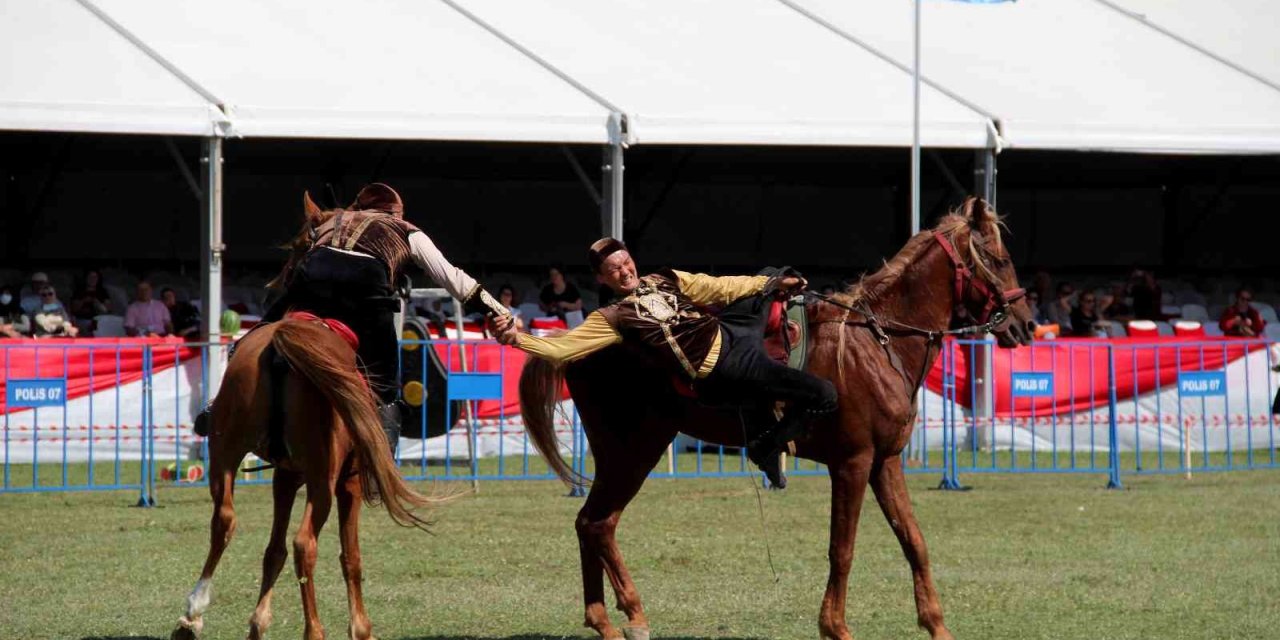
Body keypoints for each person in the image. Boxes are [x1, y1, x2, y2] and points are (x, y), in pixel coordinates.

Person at [493, 237, 836, 488]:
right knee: (825, 394)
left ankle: (776, 285)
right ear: (602, 279)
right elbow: (561, 350)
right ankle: (767, 446)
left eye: (626, 263)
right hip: (722, 368)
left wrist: (770, 284)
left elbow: (717, 287)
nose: (625, 272)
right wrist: (515, 338)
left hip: (734, 333)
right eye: (614, 270)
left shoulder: (664, 278)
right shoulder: (612, 316)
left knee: (773, 274)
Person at [195, 183, 509, 449]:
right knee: (385, 383)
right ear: (394, 213)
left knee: (260, 332)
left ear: (360, 206)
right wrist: (498, 311)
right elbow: (452, 277)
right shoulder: (406, 230)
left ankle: (218, 406)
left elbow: (301, 252)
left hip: (313, 276)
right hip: (365, 286)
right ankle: (382, 454)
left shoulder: (335, 219)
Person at [69, 269, 111, 336]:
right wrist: (83, 301)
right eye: (90, 277)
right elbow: (74, 309)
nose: (93, 279)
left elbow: (108, 309)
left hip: (98, 320)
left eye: (95, 277)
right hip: (82, 320)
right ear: (86, 278)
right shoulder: (79, 291)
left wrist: (98, 304)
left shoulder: (102, 292)